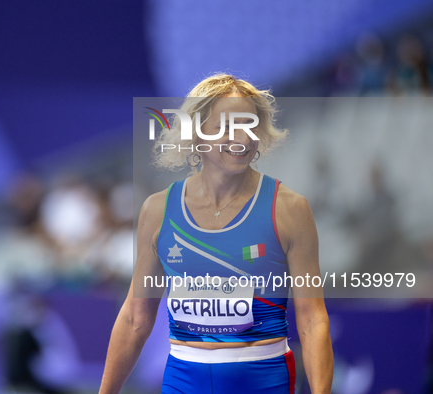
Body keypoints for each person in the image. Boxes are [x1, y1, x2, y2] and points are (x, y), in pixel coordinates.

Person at [99, 73, 333, 393]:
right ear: (196, 134)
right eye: (225, 126)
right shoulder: (157, 211)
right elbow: (135, 318)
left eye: (249, 125)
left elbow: (312, 320)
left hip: (263, 381)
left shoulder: (289, 209)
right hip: (183, 381)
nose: (240, 137)